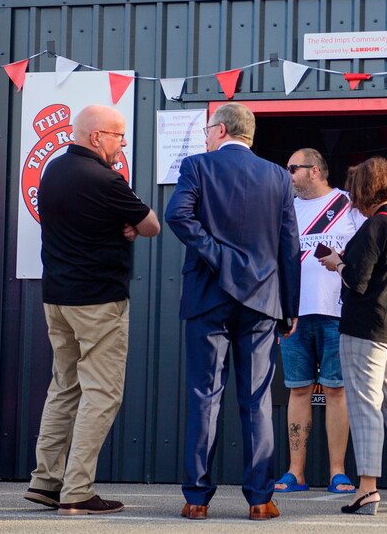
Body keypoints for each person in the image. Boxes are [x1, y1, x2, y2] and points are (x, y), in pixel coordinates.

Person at [164, 103, 300, 521]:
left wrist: (216, 255)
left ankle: (196, 500)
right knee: (257, 400)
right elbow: (289, 246)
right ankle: (260, 500)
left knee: (205, 396)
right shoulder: (278, 176)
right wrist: (290, 307)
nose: (205, 136)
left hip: (208, 295)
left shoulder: (198, 166)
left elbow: (176, 215)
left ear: (220, 130)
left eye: (208, 129)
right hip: (262, 301)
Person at [25, 104, 160, 516]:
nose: (123, 144)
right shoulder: (106, 180)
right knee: (101, 394)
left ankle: (45, 481)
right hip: (99, 301)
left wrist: (125, 223)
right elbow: (152, 224)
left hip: (57, 299)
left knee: (64, 388)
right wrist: (133, 226)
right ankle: (77, 490)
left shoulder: (53, 171)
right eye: (119, 135)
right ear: (96, 136)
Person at [319, 156, 387, 515]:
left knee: (366, 405)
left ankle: (367, 489)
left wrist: (338, 264)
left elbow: (356, 280)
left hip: (368, 327)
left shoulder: (375, 227)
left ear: (365, 190)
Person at [273, 148, 362, 495]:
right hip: (294, 314)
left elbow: (371, 250)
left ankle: (338, 471)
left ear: (315, 171)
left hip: (339, 312)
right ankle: (296, 472)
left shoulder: (349, 203)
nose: (288, 174)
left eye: (293, 168)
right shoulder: (286, 208)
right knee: (298, 390)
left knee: (337, 391)